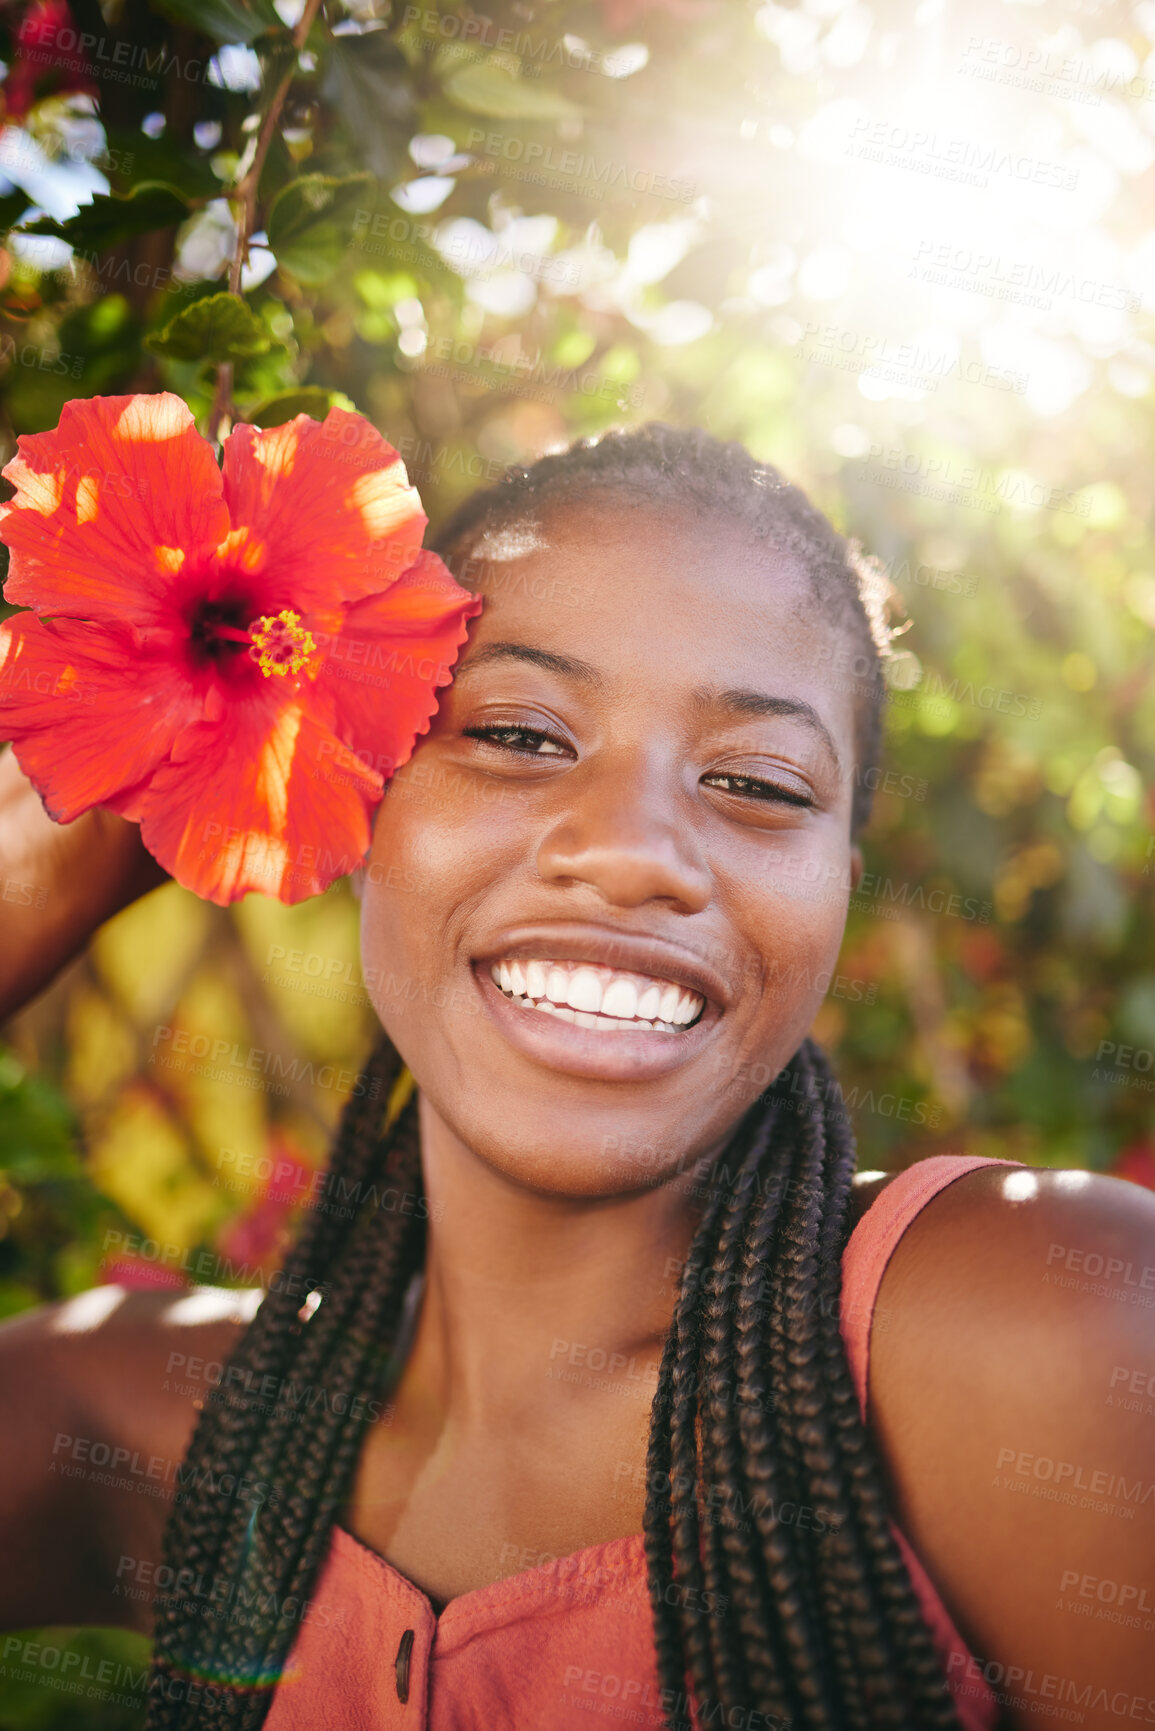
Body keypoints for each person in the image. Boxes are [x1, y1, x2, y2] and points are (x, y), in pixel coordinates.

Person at [0, 423, 1151, 1731]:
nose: (632, 851)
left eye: (759, 781)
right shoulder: (150, 1423)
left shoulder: (1047, 1331)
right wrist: (77, 800)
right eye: (522, 735)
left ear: (841, 881)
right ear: (356, 786)